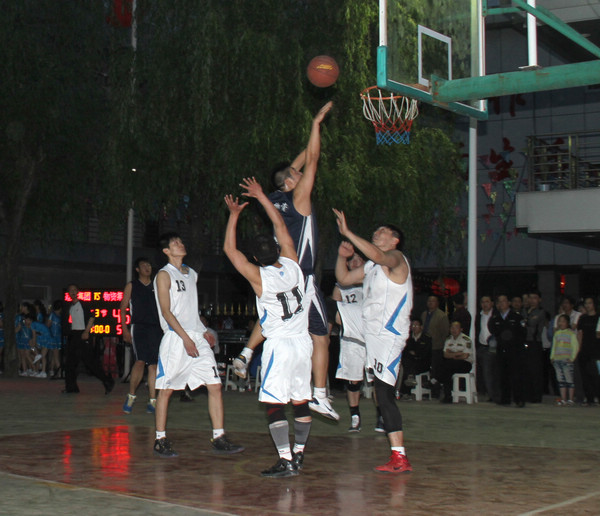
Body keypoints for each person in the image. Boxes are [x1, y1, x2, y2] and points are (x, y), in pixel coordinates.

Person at [232, 102, 339, 421]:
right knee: (321, 336)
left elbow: (301, 160)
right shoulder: (299, 198)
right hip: (301, 277)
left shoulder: (278, 198)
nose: (302, 174)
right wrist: (316, 123)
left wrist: (313, 134)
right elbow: (313, 159)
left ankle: (246, 352)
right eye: (297, 175)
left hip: (278, 274)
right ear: (292, 182)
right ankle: (320, 395)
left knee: (275, 316)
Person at [224, 178, 311, 477]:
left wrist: (234, 216)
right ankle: (299, 453)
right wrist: (262, 196)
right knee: (300, 400)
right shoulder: (293, 263)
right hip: (303, 343)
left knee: (274, 403)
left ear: (255, 258)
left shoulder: (260, 278)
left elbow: (230, 251)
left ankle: (285, 459)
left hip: (281, 345)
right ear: (277, 248)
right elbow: (280, 225)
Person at [333, 209, 413, 474]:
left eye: (383, 231)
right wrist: (341, 257)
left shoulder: (396, 259)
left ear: (394, 240)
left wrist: (348, 232)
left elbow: (379, 255)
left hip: (388, 334)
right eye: (376, 230)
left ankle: (400, 456)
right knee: (327, 308)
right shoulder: (371, 267)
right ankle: (319, 390)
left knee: (384, 393)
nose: (377, 233)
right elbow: (344, 279)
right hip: (370, 329)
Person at [153, 232, 243, 458]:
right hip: (176, 338)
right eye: (175, 243)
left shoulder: (191, 274)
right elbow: (166, 312)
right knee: (166, 390)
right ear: (166, 251)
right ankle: (160, 439)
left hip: (196, 336)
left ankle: (219, 437)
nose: (181, 244)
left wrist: (203, 331)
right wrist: (185, 338)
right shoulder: (164, 275)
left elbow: (190, 310)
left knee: (215, 385)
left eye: (181, 241)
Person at [120, 257, 163, 415]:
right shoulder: (132, 285)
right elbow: (122, 308)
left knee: (153, 365)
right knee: (139, 361)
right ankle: (131, 396)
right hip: (139, 328)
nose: (147, 267)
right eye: (143, 265)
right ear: (137, 269)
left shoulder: (157, 285)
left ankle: (152, 400)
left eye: (149, 264)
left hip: (156, 328)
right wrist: (125, 330)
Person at [331, 251, 368, 432]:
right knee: (353, 380)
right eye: (352, 260)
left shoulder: (371, 283)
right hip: (351, 339)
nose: (355, 262)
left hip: (371, 337)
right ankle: (355, 416)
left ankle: (382, 416)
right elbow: (333, 312)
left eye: (359, 260)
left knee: (377, 379)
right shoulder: (340, 286)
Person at [63, 284, 115, 394]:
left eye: (74, 290)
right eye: (71, 290)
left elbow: (92, 317)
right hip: (74, 334)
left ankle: (107, 381)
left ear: (78, 292)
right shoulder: (70, 307)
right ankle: (71, 387)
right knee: (70, 363)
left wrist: (87, 331)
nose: (73, 292)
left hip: (83, 333)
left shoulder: (83, 304)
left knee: (90, 362)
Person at [488, 294, 526, 407]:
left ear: (508, 303)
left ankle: (519, 399)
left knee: (516, 375)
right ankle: (505, 398)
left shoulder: (517, 317)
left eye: (503, 301)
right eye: (499, 302)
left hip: (514, 351)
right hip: (501, 351)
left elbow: (522, 333)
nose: (501, 304)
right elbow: (493, 331)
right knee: (502, 375)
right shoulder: (495, 318)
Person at [436, 321, 474, 403]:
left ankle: (436, 380)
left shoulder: (466, 340)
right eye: (452, 328)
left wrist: (452, 354)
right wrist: (458, 353)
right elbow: (445, 355)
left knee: (446, 366)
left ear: (461, 329)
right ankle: (447, 395)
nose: (454, 330)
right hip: (451, 364)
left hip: (465, 363)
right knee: (447, 370)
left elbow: (465, 356)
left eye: (456, 328)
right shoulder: (448, 339)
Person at [522, 289, 548, 403]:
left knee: (535, 370)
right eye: (530, 298)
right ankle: (527, 394)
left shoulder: (541, 312)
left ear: (539, 300)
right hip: (525, 342)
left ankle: (537, 396)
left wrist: (525, 321)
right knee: (526, 370)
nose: (532, 300)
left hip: (535, 342)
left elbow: (532, 323)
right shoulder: (524, 310)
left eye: (535, 298)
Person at [421, 294, 449, 393]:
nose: (430, 303)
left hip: (436, 346)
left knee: (436, 369)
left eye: (433, 301)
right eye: (429, 301)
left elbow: (445, 332)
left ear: (437, 303)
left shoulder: (442, 316)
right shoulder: (424, 314)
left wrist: (442, 345)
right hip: (425, 346)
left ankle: (436, 391)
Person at [576, 296, 600, 406]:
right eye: (586, 303)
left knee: (595, 374)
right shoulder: (582, 318)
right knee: (585, 375)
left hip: (596, 349)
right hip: (584, 349)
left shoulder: (598, 317)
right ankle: (589, 398)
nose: (587, 305)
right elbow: (580, 334)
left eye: (590, 303)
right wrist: (579, 348)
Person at [551, 314, 579, 406]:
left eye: (563, 321)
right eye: (559, 321)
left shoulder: (571, 334)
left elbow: (575, 347)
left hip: (567, 361)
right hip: (557, 360)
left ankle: (570, 399)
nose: (561, 323)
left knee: (569, 379)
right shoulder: (557, 334)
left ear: (567, 323)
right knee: (561, 380)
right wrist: (552, 357)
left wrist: (572, 358)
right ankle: (563, 399)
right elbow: (554, 346)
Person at [474, 295, 498, 402]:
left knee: (490, 371)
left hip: (493, 347)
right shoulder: (479, 316)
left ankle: (493, 394)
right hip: (481, 346)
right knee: (483, 371)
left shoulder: (496, 315)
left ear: (492, 303)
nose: (485, 304)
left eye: (487, 301)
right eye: (482, 302)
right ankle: (486, 391)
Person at [399, 319, 432, 395]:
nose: (414, 327)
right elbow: (405, 351)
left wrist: (415, 354)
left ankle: (405, 391)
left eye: (416, 325)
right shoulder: (408, 338)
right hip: (410, 362)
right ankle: (405, 389)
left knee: (408, 365)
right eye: (413, 325)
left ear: (421, 327)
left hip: (422, 363)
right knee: (406, 364)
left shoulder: (426, 338)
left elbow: (425, 353)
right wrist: (413, 354)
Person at [47, 300, 63, 378]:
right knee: (56, 355)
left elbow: (48, 325)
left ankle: (52, 370)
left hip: (56, 337)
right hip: (54, 337)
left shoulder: (57, 315)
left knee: (54, 355)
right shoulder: (54, 315)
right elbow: (48, 324)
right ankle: (59, 372)